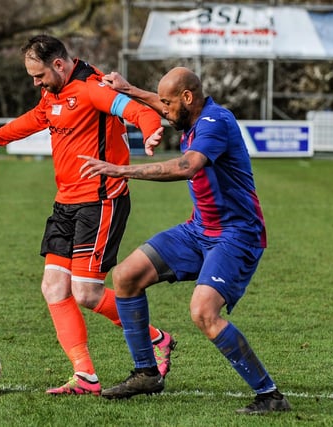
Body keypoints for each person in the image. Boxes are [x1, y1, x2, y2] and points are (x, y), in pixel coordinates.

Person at [78, 67, 291, 414]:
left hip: (236, 235)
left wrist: (123, 169)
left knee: (203, 311)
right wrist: (128, 88)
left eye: (167, 103)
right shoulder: (190, 113)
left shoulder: (215, 122)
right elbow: (165, 106)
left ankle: (270, 396)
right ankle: (146, 372)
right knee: (126, 276)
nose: (162, 110)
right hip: (199, 230)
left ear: (188, 98)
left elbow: (188, 166)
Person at [0, 35, 176, 396]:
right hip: (65, 202)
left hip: (100, 202)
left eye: (38, 76)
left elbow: (137, 110)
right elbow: (35, 119)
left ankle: (157, 339)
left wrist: (150, 132)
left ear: (58, 64)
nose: (35, 83)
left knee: (86, 292)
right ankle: (85, 376)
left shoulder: (91, 88)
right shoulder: (52, 93)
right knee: (53, 287)